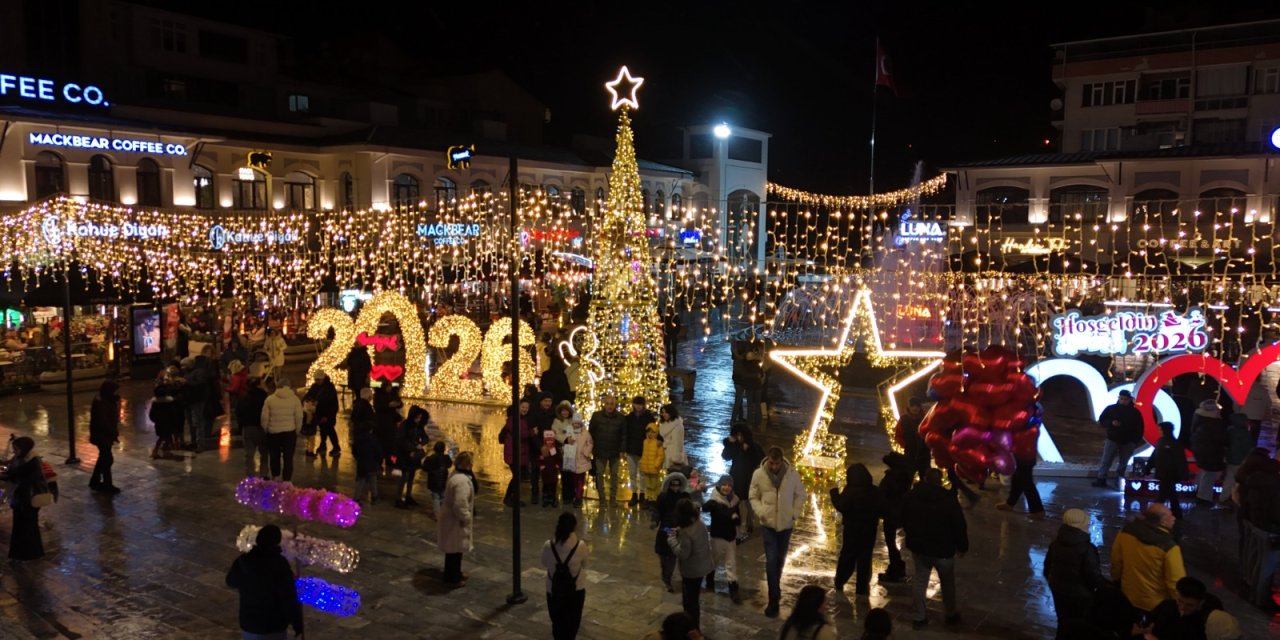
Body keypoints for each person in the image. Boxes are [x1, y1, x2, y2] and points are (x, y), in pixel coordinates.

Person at [901, 468, 968, 630]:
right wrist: (962, 546)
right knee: (947, 583)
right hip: (943, 550)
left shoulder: (911, 496)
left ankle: (919, 616)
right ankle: (950, 614)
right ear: (940, 480)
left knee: (920, 580)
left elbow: (903, 516)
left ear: (924, 478)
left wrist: (910, 534)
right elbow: (959, 525)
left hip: (919, 548)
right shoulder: (948, 500)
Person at [749, 446, 807, 617]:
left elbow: (800, 495)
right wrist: (761, 512)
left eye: (776, 463)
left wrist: (794, 513)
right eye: (771, 463)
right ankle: (773, 598)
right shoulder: (758, 474)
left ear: (782, 461)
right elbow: (753, 496)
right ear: (768, 460)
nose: (773, 467)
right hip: (768, 525)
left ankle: (775, 586)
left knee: (780, 559)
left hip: (785, 524)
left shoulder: (791, 474)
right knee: (771, 558)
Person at [225, 524, 303, 640]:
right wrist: (297, 623)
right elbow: (289, 597)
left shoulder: (243, 561)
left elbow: (230, 581)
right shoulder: (279, 564)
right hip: (273, 624)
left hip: (250, 622)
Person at [1111, 503, 1186, 612]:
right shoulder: (1170, 548)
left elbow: (1116, 562)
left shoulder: (1125, 533)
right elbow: (1175, 582)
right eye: (1171, 515)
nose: (1174, 518)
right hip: (1156, 605)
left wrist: (1117, 582)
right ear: (1163, 521)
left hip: (1128, 597)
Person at [1043, 508, 1104, 636]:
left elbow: (1047, 568)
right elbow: (1092, 576)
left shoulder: (1055, 543)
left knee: (1063, 622)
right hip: (1081, 595)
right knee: (1081, 627)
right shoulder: (1087, 548)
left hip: (1058, 590)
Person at [830, 463, 886, 595]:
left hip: (852, 529)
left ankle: (840, 581)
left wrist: (834, 494)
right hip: (869, 529)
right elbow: (882, 508)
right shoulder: (874, 490)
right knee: (865, 557)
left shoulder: (851, 490)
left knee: (848, 554)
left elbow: (841, 506)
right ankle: (861, 587)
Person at [667, 498, 714, 630]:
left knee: (690, 602)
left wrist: (672, 540)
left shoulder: (685, 532)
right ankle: (693, 627)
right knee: (693, 599)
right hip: (703, 565)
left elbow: (683, 554)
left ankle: (692, 629)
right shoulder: (698, 522)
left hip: (692, 571)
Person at [542, 512, 589, 640]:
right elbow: (585, 565)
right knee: (572, 624)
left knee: (557, 622)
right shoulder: (581, 546)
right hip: (576, 590)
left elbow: (544, 563)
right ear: (574, 527)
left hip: (554, 589)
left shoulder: (548, 545)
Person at [2, 437, 47, 560]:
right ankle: (22, 553)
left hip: (27, 499)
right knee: (21, 526)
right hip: (20, 498)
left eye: (16, 449)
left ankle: (29, 554)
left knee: (27, 526)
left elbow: (18, 476)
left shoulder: (31, 462)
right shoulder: (21, 458)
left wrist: (7, 476)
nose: (14, 452)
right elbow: (13, 473)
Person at [1141, 576, 1223, 640]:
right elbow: (1147, 619)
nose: (1182, 607)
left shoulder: (1202, 624)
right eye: (1180, 601)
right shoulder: (1167, 605)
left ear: (1200, 603)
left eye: (1190, 605)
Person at [1092, 389, 1145, 488]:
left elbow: (1139, 427)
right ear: (1119, 398)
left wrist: (1134, 440)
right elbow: (1102, 420)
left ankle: (1113, 479)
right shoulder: (1114, 409)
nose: (1123, 401)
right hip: (1115, 438)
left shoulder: (1133, 412)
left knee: (1120, 462)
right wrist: (1111, 423)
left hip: (1125, 439)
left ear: (1129, 400)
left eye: (1125, 399)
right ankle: (1106, 479)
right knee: (1108, 460)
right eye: (1122, 399)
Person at [703, 475, 742, 603]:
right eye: (724, 485)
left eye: (729, 485)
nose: (727, 487)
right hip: (718, 536)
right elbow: (705, 508)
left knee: (731, 564)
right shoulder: (714, 501)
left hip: (730, 537)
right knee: (714, 559)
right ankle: (709, 580)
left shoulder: (735, 500)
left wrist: (736, 519)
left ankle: (733, 589)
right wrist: (730, 514)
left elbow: (738, 518)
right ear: (719, 485)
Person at [723, 423, 764, 539]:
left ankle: (749, 524)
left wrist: (748, 450)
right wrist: (730, 444)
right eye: (737, 435)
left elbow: (760, 460)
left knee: (748, 502)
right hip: (736, 477)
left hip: (749, 478)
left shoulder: (753, 446)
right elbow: (725, 456)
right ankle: (740, 526)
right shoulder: (735, 446)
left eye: (741, 435)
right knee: (737, 502)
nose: (739, 438)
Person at [439, 451, 475, 586]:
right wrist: (466, 518)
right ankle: (452, 577)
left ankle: (455, 573)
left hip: (451, 519)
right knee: (454, 550)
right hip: (455, 521)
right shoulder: (461, 481)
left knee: (454, 549)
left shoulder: (456, 475)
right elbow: (460, 504)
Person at [878, 451, 914, 583]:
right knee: (890, 542)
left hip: (891, 513)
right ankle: (896, 567)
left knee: (890, 542)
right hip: (897, 512)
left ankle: (896, 569)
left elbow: (889, 493)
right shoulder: (904, 474)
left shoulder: (894, 476)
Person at [261, 377, 303, 482]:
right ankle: (287, 480)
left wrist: (266, 429)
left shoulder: (270, 399)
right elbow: (299, 417)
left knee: (274, 456)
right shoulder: (295, 399)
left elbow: (264, 418)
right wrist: (296, 430)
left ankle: (275, 476)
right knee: (288, 458)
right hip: (289, 432)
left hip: (273, 432)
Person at [1145, 422, 1190, 519]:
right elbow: (1181, 460)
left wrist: (1147, 469)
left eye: (1160, 429)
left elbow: (1154, 457)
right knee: (1171, 494)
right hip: (1170, 473)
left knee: (1163, 495)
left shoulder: (1163, 442)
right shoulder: (1174, 443)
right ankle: (1176, 514)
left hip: (1166, 473)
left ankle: (1154, 514)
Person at [653, 472, 689, 591]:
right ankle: (666, 578)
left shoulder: (684, 497)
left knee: (676, 558)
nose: (675, 488)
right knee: (666, 558)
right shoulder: (663, 497)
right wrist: (655, 521)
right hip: (666, 529)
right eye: (673, 486)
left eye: (677, 486)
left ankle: (672, 578)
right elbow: (657, 510)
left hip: (679, 530)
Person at [589, 395, 626, 503]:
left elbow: (624, 435)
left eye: (611, 404)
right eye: (607, 404)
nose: (609, 406)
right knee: (599, 474)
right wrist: (591, 447)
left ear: (615, 405)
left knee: (614, 475)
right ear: (604, 405)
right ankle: (602, 498)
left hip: (615, 451)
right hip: (600, 451)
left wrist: (622, 450)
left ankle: (613, 498)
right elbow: (591, 433)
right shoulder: (596, 416)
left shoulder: (621, 418)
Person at [1191, 399, 1227, 506]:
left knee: (1203, 472)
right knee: (1209, 475)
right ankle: (1204, 498)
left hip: (1201, 451)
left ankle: (1197, 492)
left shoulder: (1199, 418)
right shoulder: (1213, 424)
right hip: (1211, 453)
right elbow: (1220, 439)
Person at [501, 399, 536, 508]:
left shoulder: (525, 419)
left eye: (527, 408)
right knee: (517, 476)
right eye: (523, 407)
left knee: (518, 476)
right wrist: (532, 432)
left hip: (521, 452)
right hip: (514, 453)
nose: (525, 409)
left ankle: (512, 497)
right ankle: (508, 498)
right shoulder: (513, 419)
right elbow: (520, 433)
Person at [88, 380, 121, 494]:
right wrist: (113, 432)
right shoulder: (101, 403)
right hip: (102, 435)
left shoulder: (108, 400)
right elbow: (103, 421)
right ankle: (107, 484)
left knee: (104, 457)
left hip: (106, 434)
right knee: (107, 459)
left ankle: (95, 480)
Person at [393, 406, 430, 508]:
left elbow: (426, 437)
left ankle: (408, 496)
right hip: (405, 456)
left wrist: (421, 443)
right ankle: (398, 498)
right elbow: (400, 441)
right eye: (417, 418)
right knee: (403, 477)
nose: (418, 420)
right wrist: (412, 447)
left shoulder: (418, 426)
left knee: (411, 476)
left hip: (413, 456)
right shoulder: (405, 426)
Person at [236, 376, 270, 477]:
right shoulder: (266, 398)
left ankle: (250, 476)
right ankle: (264, 475)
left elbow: (239, 412)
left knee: (249, 454)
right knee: (264, 453)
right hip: (262, 428)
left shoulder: (244, 397)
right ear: (259, 385)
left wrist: (241, 425)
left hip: (248, 428)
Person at [625, 396, 656, 506]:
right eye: (636, 404)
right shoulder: (629, 418)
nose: (638, 406)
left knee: (643, 474)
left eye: (640, 404)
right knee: (632, 474)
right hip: (631, 450)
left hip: (644, 451)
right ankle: (634, 494)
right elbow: (625, 434)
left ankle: (642, 494)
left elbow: (654, 433)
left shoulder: (649, 417)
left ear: (643, 405)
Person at [150, 365, 186, 459]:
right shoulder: (169, 402)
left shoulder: (155, 402)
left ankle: (163, 450)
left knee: (164, 437)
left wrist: (154, 420)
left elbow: (152, 414)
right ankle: (156, 451)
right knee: (165, 437)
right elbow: (172, 412)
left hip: (159, 423)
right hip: (168, 422)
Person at [304, 370, 341, 458]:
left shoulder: (329, 388)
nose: (317, 382)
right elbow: (309, 395)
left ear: (323, 379)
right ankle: (323, 445)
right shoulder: (315, 386)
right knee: (323, 430)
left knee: (330, 429)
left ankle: (336, 447)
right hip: (319, 413)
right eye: (316, 380)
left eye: (319, 380)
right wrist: (308, 400)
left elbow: (332, 404)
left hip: (328, 413)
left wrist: (327, 416)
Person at [1222, 410, 1253, 508]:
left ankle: (1224, 497)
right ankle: (1237, 499)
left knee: (1229, 479)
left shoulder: (1230, 429)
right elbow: (1247, 448)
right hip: (1241, 460)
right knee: (1239, 481)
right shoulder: (1244, 433)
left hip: (1231, 459)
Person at [997, 453, 1044, 517]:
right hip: (1023, 452)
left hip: (1026, 453)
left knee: (1026, 481)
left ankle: (1037, 510)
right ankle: (1010, 503)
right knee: (1017, 478)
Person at [895, 397, 931, 478]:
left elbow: (931, 433)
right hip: (910, 456)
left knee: (925, 479)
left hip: (924, 456)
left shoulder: (926, 419)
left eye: (917, 406)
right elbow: (898, 435)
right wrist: (906, 445)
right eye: (913, 406)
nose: (915, 408)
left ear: (920, 407)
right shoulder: (903, 420)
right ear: (909, 407)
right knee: (907, 478)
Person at [561, 419, 592, 508]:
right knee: (573, 479)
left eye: (578, 423)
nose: (576, 425)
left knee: (580, 480)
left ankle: (579, 497)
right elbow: (565, 443)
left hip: (582, 460)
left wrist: (585, 452)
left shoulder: (585, 433)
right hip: (572, 460)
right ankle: (574, 495)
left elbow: (590, 443)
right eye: (575, 423)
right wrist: (564, 450)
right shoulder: (569, 432)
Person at [373, 387, 403, 475]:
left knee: (391, 442)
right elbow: (378, 407)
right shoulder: (378, 395)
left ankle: (390, 460)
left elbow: (400, 403)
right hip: (381, 422)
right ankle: (380, 460)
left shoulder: (394, 393)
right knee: (381, 442)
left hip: (391, 422)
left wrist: (396, 404)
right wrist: (389, 405)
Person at [352, 421, 381, 506]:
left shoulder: (358, 439)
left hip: (361, 463)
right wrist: (378, 460)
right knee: (373, 480)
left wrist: (358, 458)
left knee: (360, 481)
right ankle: (374, 497)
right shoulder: (373, 439)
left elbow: (354, 451)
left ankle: (356, 498)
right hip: (372, 463)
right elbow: (378, 451)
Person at [423, 441, 452, 515]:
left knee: (435, 497)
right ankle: (442, 511)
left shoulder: (430, 458)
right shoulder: (446, 458)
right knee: (442, 495)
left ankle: (437, 513)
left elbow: (424, 467)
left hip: (433, 480)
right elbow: (449, 464)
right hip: (443, 479)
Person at [639, 422, 665, 503]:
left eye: (653, 432)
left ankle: (654, 499)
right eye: (648, 432)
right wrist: (642, 462)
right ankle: (649, 498)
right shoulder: (645, 442)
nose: (650, 434)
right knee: (648, 485)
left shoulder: (658, 443)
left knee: (654, 485)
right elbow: (643, 454)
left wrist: (656, 465)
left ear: (656, 433)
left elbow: (661, 456)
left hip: (654, 468)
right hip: (646, 468)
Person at [658, 404, 687, 471]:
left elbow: (678, 443)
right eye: (663, 412)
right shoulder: (664, 424)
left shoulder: (677, 426)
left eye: (666, 412)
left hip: (673, 456)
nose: (664, 414)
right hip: (666, 454)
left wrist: (677, 458)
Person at [540, 430, 563, 507]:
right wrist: (541, 465)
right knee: (546, 485)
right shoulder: (543, 449)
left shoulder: (555, 449)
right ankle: (546, 498)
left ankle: (552, 498)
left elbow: (558, 458)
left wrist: (558, 465)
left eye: (551, 440)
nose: (549, 442)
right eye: (547, 440)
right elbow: (540, 459)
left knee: (553, 485)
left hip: (553, 470)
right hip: (545, 471)